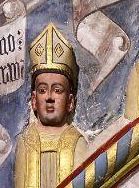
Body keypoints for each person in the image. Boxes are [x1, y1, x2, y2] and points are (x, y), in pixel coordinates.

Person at [13, 24, 87, 188]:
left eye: (57, 90)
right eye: (42, 90)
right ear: (34, 100)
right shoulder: (25, 141)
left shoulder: (77, 142)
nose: (49, 97)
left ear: (70, 102)